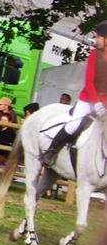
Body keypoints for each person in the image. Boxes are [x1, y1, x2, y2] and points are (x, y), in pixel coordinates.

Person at [40, 21, 107, 169]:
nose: (96, 40)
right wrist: (96, 103)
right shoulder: (94, 55)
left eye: (98, 37)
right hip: (88, 100)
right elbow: (89, 82)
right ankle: (51, 151)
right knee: (75, 124)